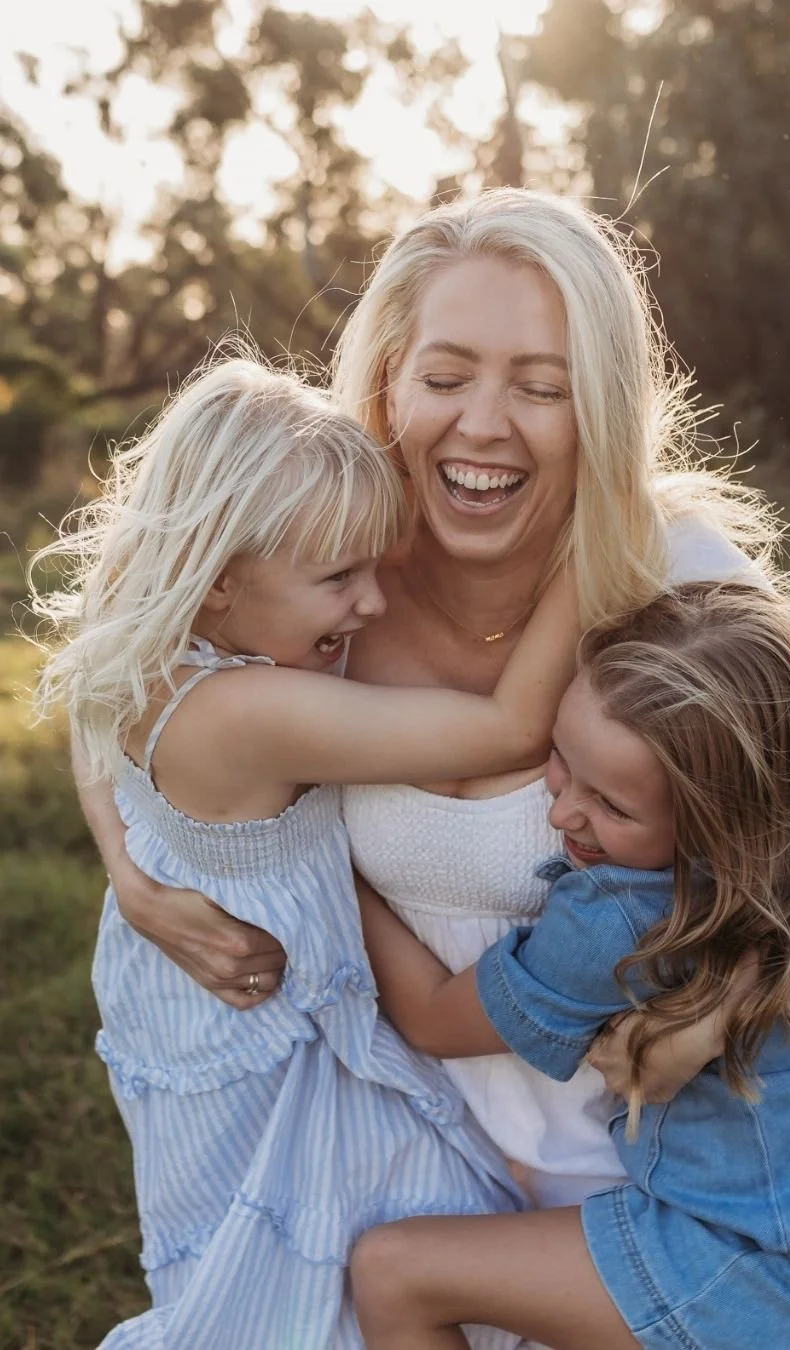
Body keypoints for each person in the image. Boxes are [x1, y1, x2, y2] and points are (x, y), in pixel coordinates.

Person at [75, 190, 790, 1339]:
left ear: (601, 406)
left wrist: (725, 1008)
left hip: (677, 1154)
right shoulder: (323, 578)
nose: (484, 425)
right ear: (388, 380)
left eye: (541, 386)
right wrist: (129, 865)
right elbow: (121, 665)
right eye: (447, 377)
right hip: (419, 1138)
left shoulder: (661, 572)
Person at [33, 357, 583, 1349]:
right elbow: (508, 728)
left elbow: (90, 701)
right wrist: (600, 535)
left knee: (268, 1277)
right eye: (339, 579)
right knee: (310, 1273)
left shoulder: (156, 651)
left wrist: (124, 862)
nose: (372, 603)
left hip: (208, 1025)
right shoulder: (246, 712)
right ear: (217, 583)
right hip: (272, 1056)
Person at [350, 581, 790, 1350]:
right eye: (560, 759)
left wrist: (334, 869)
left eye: (613, 807)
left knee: (393, 1273)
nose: (561, 812)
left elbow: (432, 1020)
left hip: (782, 1273)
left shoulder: (620, 920)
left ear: (713, 821)